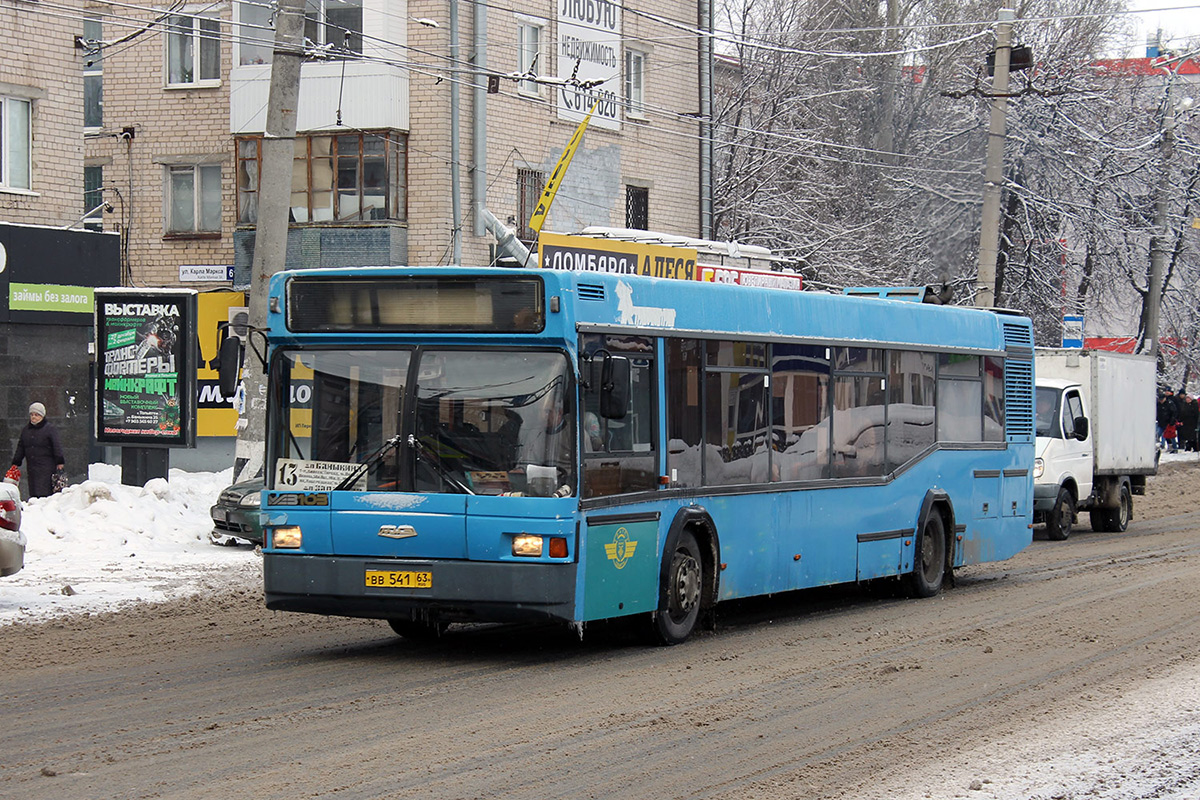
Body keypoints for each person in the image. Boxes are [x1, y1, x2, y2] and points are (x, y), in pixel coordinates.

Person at [11, 402, 65, 498]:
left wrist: (59, 461)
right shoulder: (26, 430)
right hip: (32, 465)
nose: (33, 417)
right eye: (31, 414)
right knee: (33, 489)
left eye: (36, 415)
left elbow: (56, 445)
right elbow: (21, 447)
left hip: (46, 466)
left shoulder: (49, 429)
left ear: (42, 416)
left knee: (45, 490)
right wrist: (16, 461)